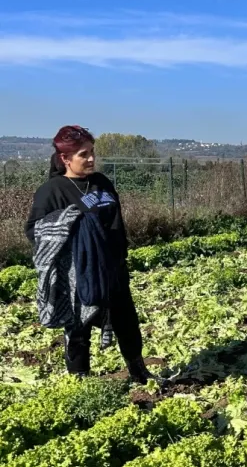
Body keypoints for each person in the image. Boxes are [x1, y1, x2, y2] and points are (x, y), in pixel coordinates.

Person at [25, 125, 161, 384]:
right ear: (65, 159)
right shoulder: (53, 190)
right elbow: (34, 230)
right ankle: (80, 380)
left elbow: (115, 221)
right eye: (83, 155)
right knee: (78, 328)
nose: (91, 159)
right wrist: (71, 227)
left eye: (92, 152)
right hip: (79, 274)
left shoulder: (101, 183)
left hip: (113, 267)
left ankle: (138, 370)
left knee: (126, 322)